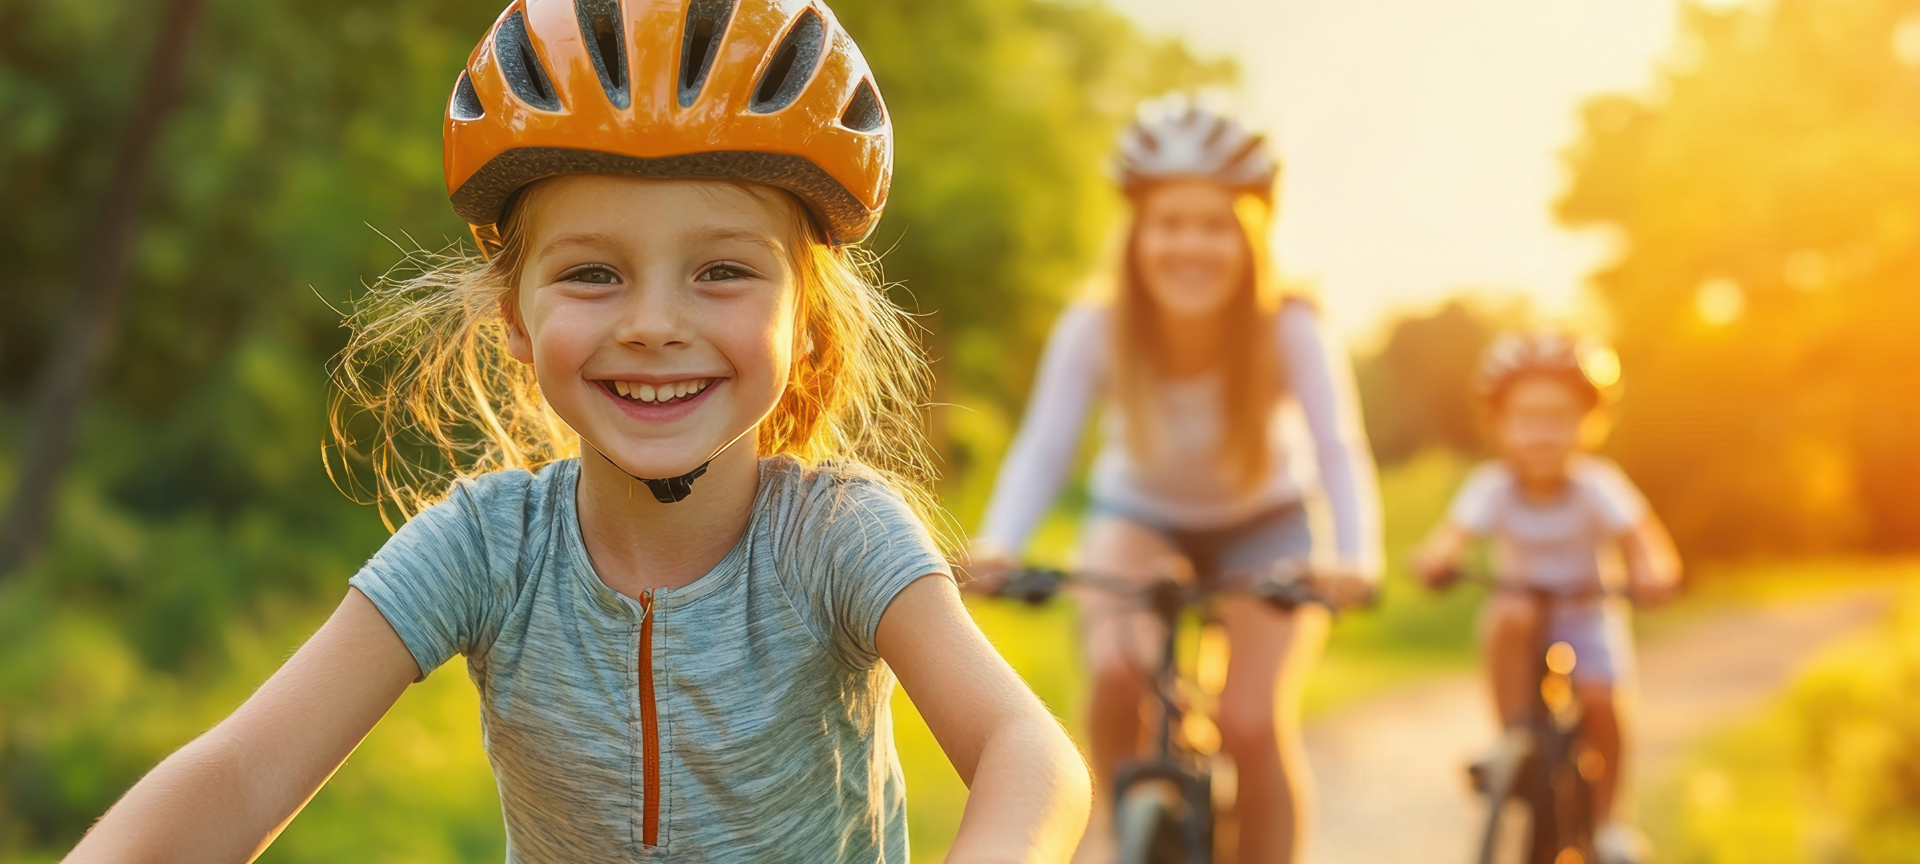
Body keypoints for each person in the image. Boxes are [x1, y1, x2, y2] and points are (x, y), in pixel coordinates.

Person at [60, 1, 1091, 861]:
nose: (652, 324)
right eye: (593, 273)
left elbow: (1027, 753)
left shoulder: (835, 537)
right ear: (515, 313)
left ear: (806, 316)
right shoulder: (484, 548)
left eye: (722, 270)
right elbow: (242, 777)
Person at [965, 96, 1383, 864]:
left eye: (1214, 224)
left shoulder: (1292, 324)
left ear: (1251, 237)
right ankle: (1116, 835)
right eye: (1169, 223)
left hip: (1269, 521)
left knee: (1252, 723)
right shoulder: (1094, 325)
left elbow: (1338, 446)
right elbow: (1044, 448)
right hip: (1141, 516)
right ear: (1137, 235)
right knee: (1118, 671)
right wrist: (999, 542)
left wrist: (1355, 558)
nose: (1190, 244)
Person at [1412, 332, 1681, 864]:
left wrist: (1653, 570)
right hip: (1525, 615)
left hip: (1589, 613)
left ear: (1588, 424)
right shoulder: (1492, 486)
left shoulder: (1597, 485)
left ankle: (1607, 823)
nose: (1542, 434)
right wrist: (1436, 558)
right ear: (1499, 424)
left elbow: (1642, 537)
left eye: (1559, 419)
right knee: (1509, 614)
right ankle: (1511, 737)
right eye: (1527, 418)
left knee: (1604, 704)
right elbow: (1452, 534)